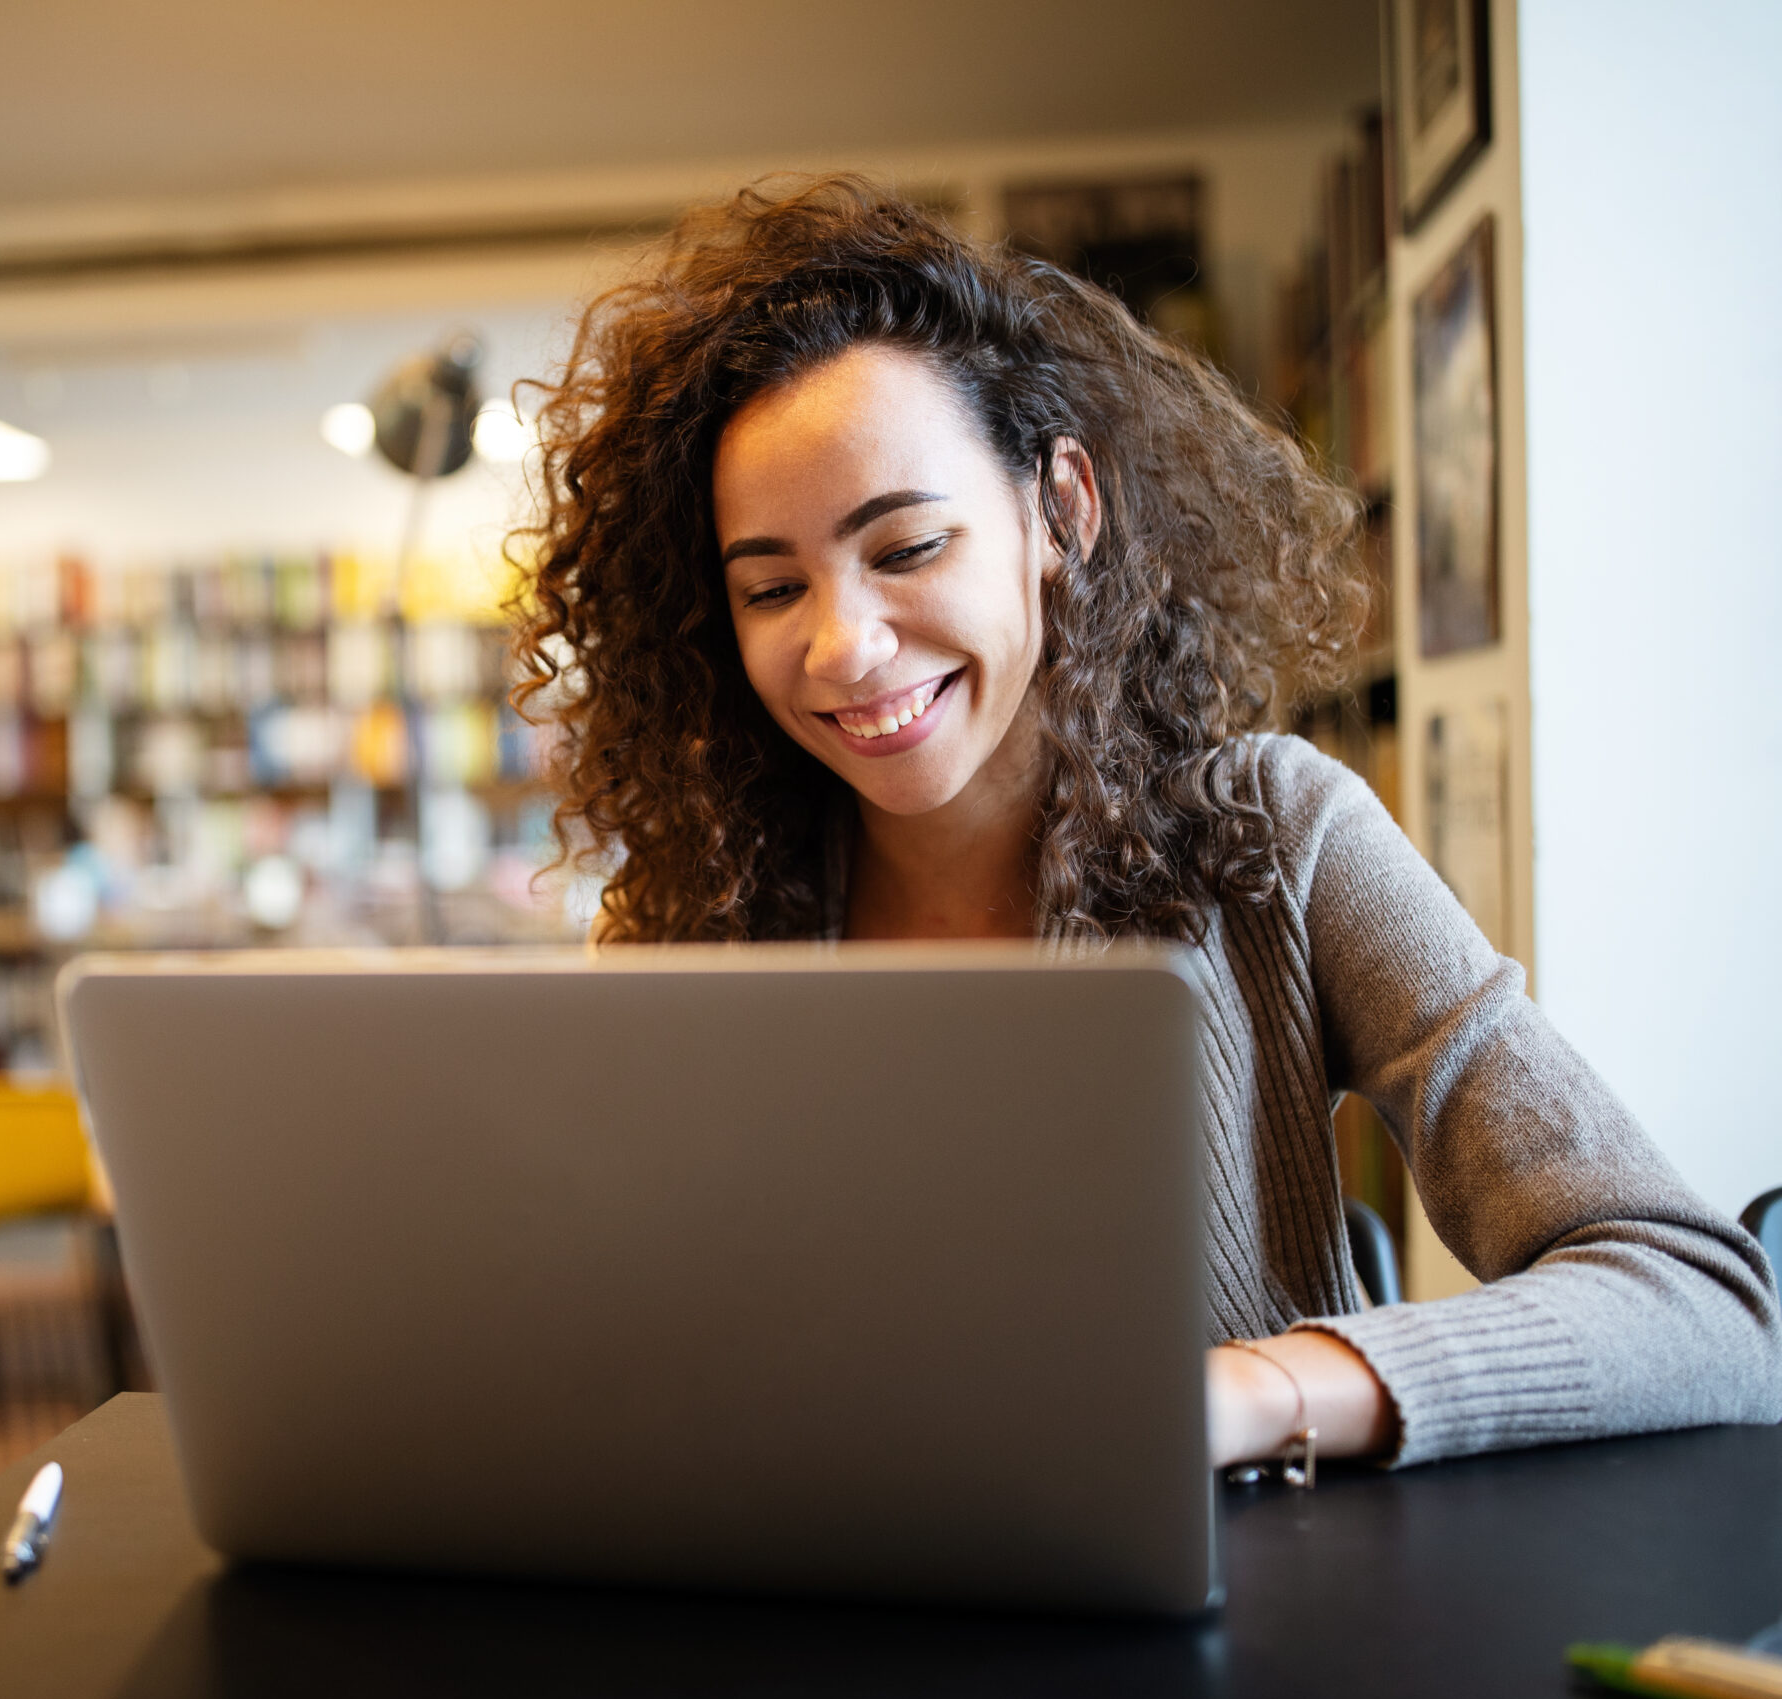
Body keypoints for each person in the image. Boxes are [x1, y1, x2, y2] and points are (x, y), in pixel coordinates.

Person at [509, 174, 1781, 1469]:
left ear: (1061, 510)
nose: (843, 648)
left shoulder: (1279, 836)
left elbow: (1707, 1306)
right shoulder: (701, 914)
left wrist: (1253, 1393)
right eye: (773, 586)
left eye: (905, 551)